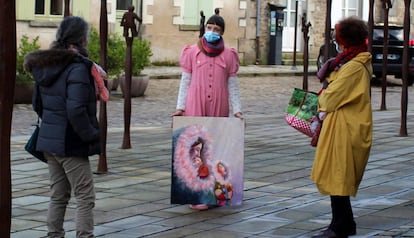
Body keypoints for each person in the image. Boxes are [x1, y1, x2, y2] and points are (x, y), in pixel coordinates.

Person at [24, 16, 105, 238]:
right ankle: (84, 235)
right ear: (80, 39)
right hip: (70, 141)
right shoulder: (77, 67)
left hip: (49, 142)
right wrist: (91, 135)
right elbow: (76, 110)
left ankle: (54, 234)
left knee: (58, 195)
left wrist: (52, 124)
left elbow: (37, 105)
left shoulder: (45, 65)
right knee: (85, 195)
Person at [170, 14, 243, 210]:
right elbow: (185, 82)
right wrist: (180, 107)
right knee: (196, 148)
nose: (212, 32)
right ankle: (196, 194)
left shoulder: (229, 55)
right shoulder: (192, 52)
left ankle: (213, 193)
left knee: (214, 148)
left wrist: (237, 110)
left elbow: (232, 85)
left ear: (222, 33)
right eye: (209, 27)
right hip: (195, 103)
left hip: (218, 105)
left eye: (217, 29)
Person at [310, 16, 373, 238]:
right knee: (335, 175)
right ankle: (342, 222)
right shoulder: (349, 62)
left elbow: (332, 97)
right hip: (340, 125)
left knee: (338, 175)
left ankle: (340, 225)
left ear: (344, 40)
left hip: (346, 127)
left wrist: (321, 98)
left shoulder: (354, 66)